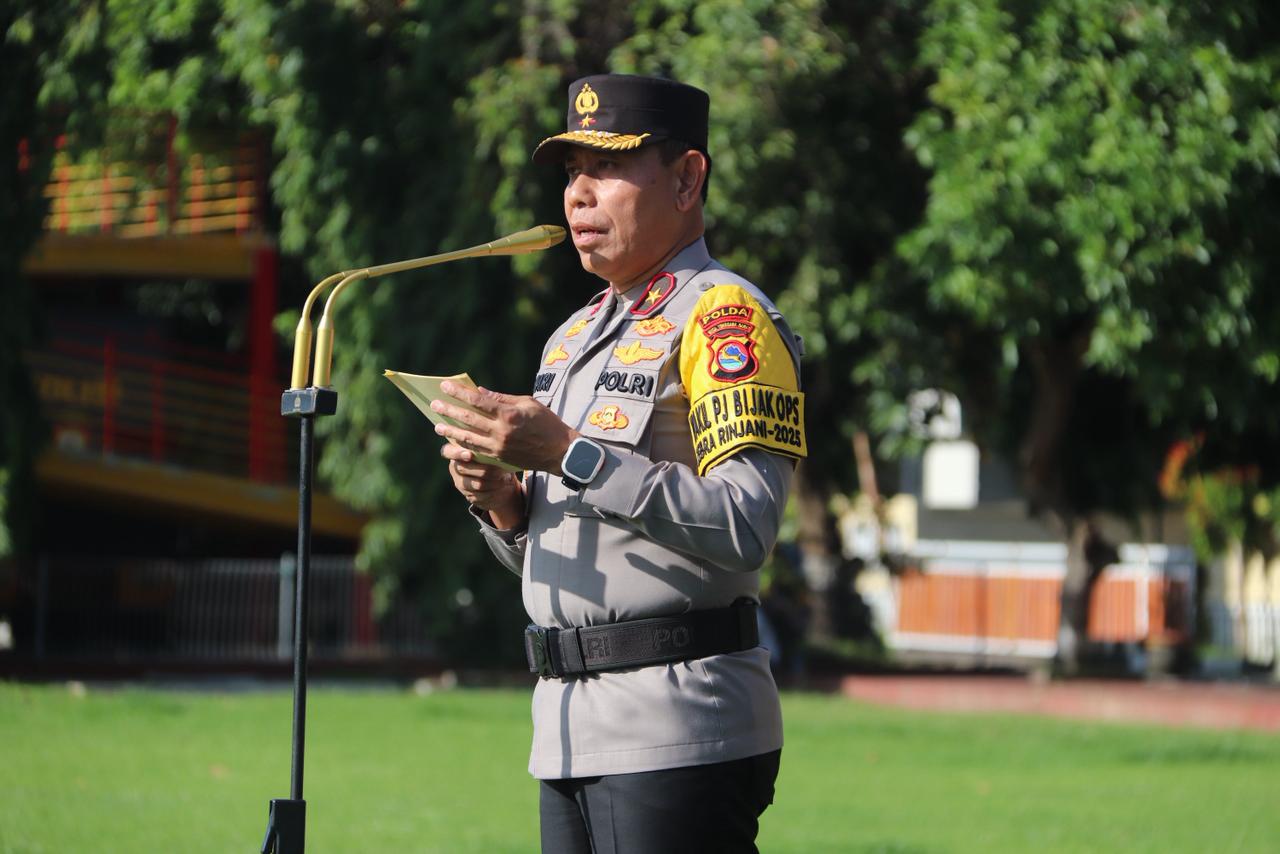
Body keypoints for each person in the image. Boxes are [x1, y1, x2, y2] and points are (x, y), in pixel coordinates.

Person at [430, 73, 808, 853]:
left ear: (687, 178)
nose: (578, 194)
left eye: (607, 167)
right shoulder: (571, 339)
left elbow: (746, 525)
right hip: (566, 729)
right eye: (573, 171)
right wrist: (504, 505)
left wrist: (569, 453)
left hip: (678, 724)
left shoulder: (724, 317)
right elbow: (567, 551)